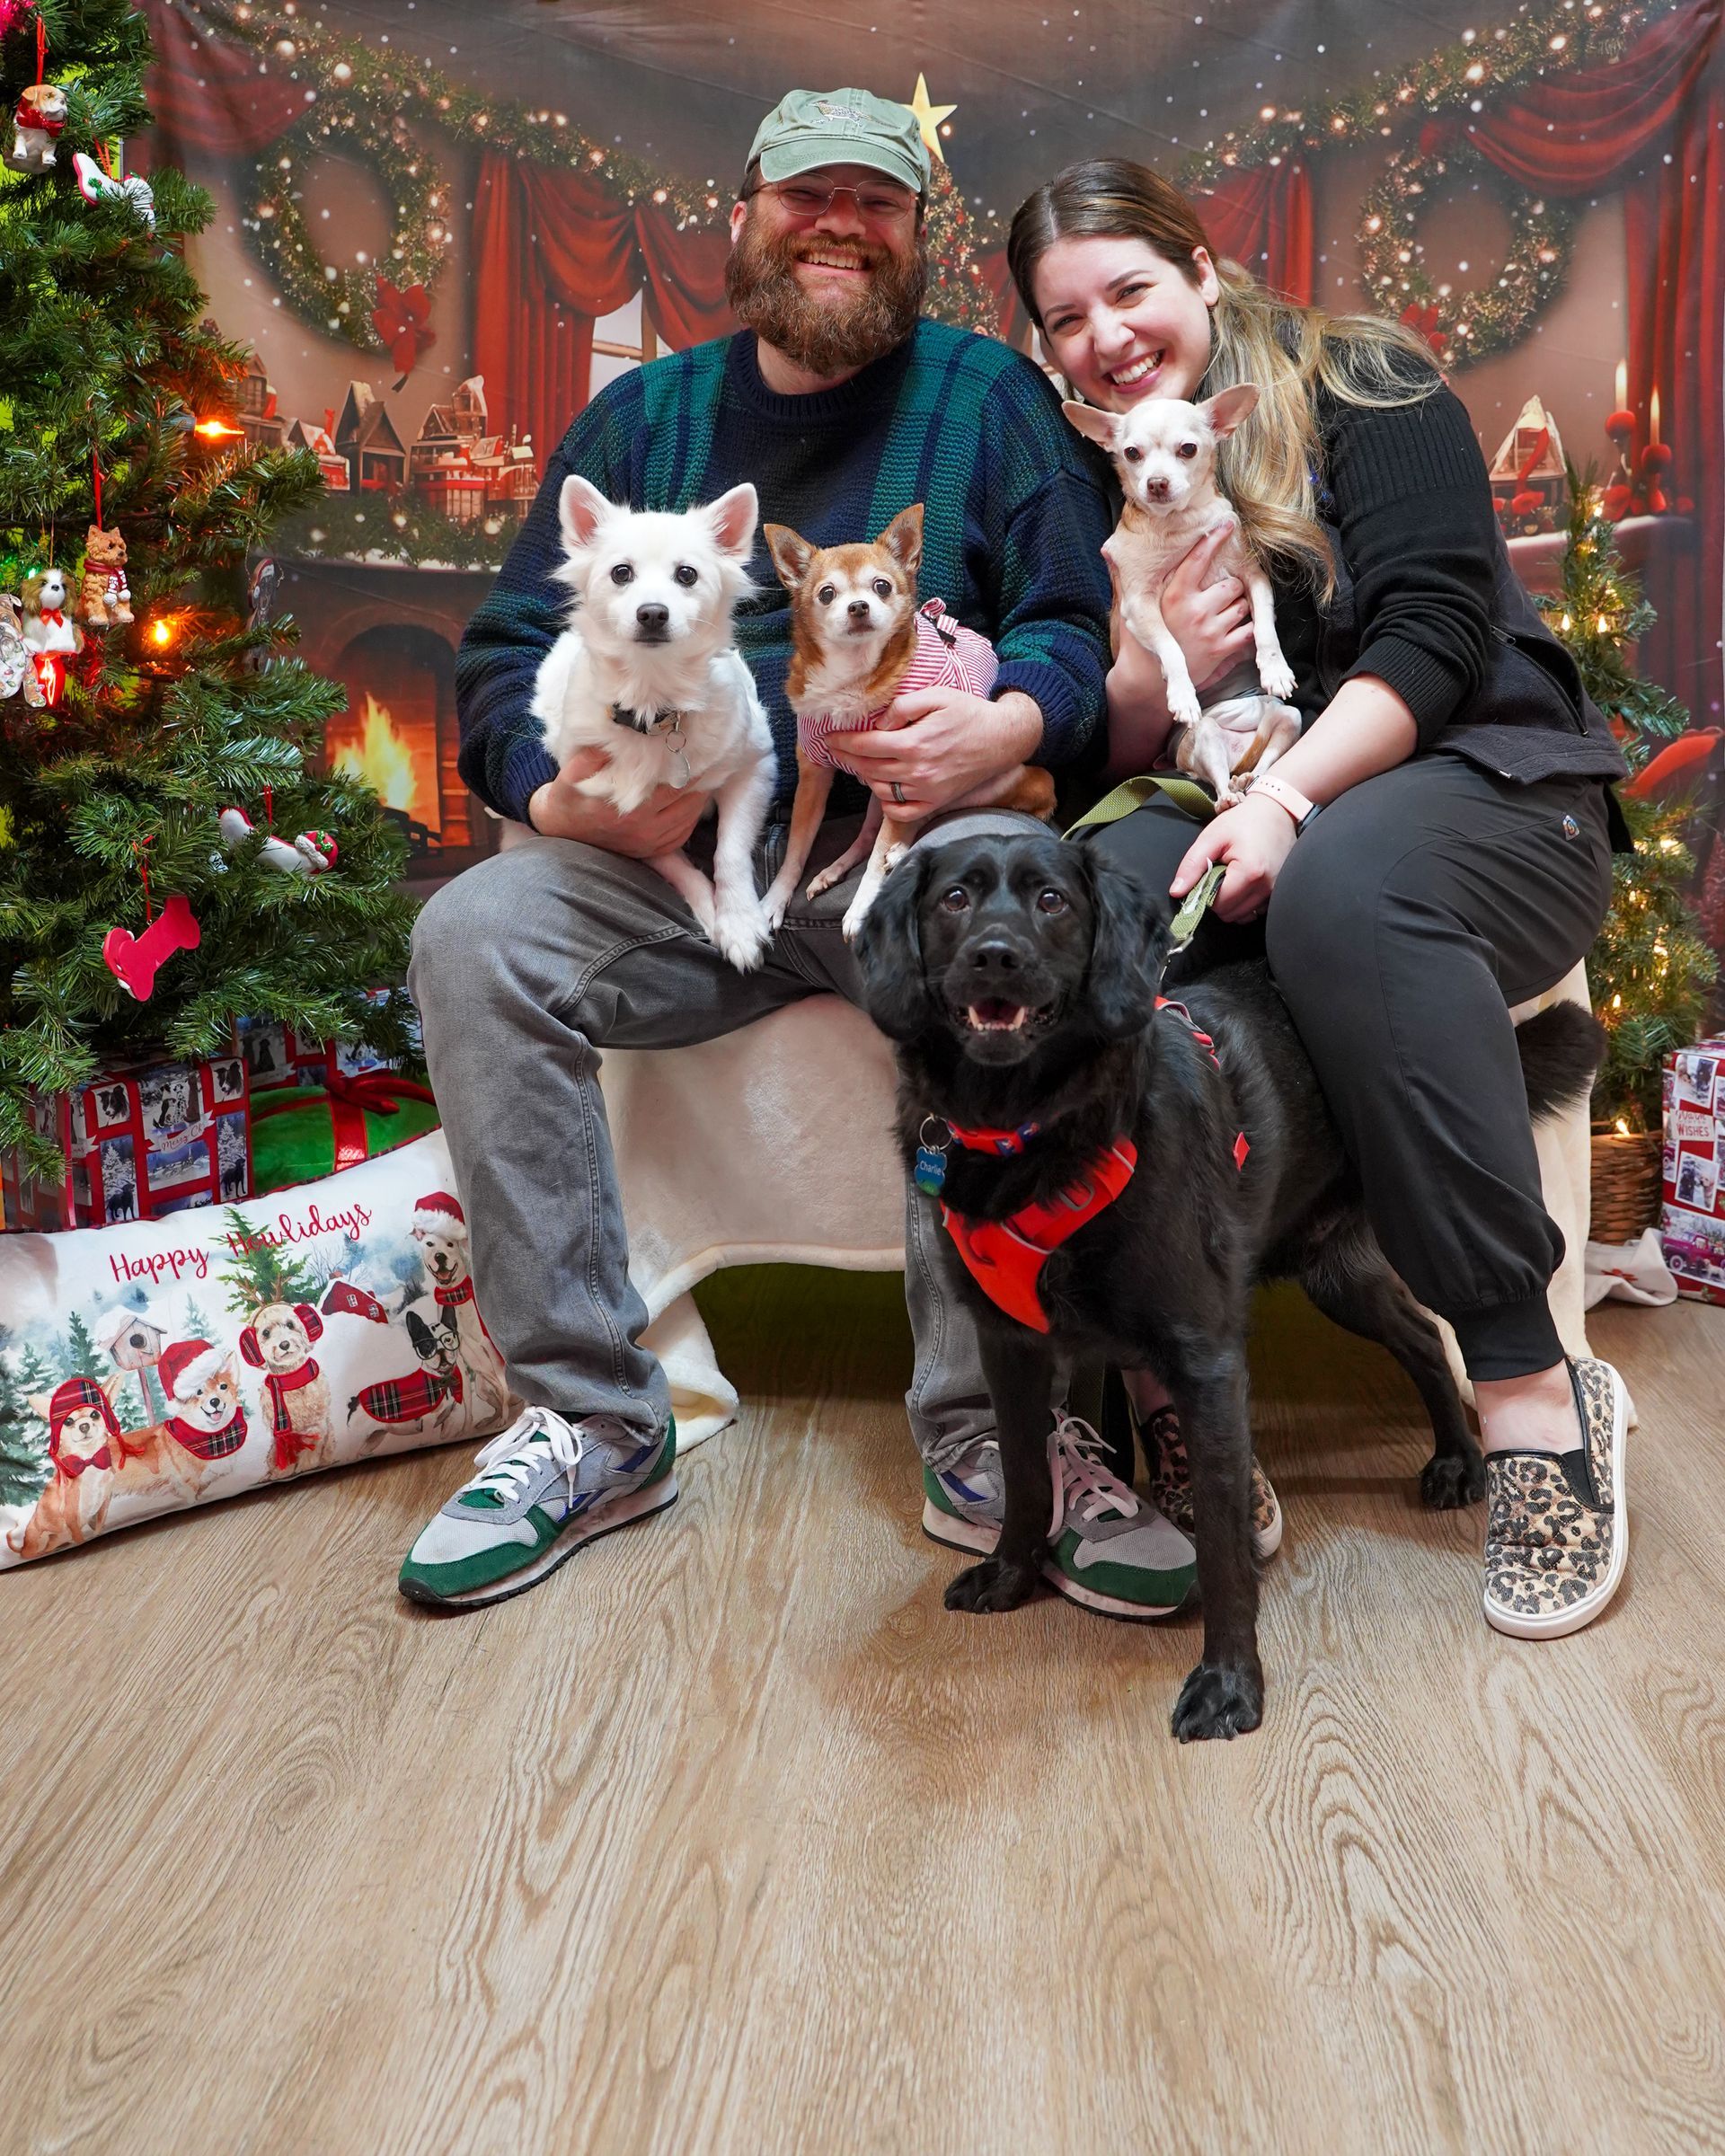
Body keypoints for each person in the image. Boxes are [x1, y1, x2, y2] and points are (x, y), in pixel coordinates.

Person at [400, 93, 1200, 1615]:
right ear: (745, 217)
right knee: (473, 934)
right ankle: (590, 1419)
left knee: (1001, 929)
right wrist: (549, 796)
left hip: (906, 858)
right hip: (663, 863)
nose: (838, 224)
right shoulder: (645, 419)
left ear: (919, 238)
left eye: (877, 203)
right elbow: (505, 644)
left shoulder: (989, 403)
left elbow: (1068, 624)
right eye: (805, 197)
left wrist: (1009, 723)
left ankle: (1002, 1443)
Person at [1007, 158, 1632, 1639]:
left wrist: (1287, 796)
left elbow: (1434, 625)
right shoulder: (1100, 471)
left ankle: (1531, 1395)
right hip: (1228, 778)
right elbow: (1118, 737)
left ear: (1202, 273)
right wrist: (1158, 678)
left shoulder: (1365, 380)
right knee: (1093, 909)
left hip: (1483, 785)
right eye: (1065, 318)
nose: (1105, 333)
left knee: (1338, 893)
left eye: (1130, 289)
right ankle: (1167, 1384)